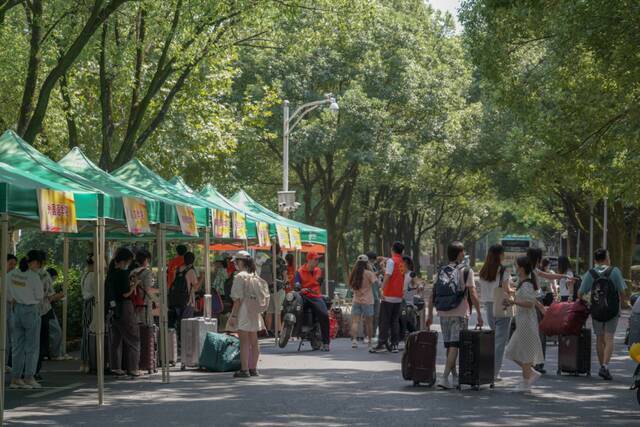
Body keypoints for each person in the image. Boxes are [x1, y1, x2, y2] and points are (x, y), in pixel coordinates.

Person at [426, 241, 483, 389]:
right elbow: (473, 293)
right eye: (463, 252)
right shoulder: (466, 271)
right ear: (458, 254)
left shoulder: (440, 271)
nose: (464, 254)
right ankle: (444, 377)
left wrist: (429, 315)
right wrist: (479, 315)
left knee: (450, 346)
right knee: (455, 345)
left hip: (443, 312)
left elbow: (433, 294)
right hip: (459, 312)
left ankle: (455, 376)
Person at [578, 248, 627, 381]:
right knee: (609, 338)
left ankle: (602, 367)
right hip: (612, 310)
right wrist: (624, 305)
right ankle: (605, 366)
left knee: (600, 339)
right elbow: (622, 293)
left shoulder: (591, 273)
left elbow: (580, 293)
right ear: (606, 258)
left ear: (595, 260)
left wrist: (590, 303)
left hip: (596, 311)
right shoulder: (614, 271)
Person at [504, 255, 546, 392]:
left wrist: (513, 301)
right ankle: (530, 374)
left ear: (521, 269)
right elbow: (532, 301)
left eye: (516, 265)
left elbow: (529, 303)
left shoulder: (527, 284)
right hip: (523, 322)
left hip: (527, 323)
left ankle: (526, 383)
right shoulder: (523, 282)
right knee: (511, 351)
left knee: (525, 354)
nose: (515, 268)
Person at [8, 250, 44, 389]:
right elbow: (40, 295)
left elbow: (5, 288)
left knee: (17, 346)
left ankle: (16, 378)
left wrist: (13, 299)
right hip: (31, 310)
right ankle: (29, 377)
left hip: (16, 309)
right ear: (34, 262)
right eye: (39, 264)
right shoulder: (33, 276)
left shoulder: (13, 273)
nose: (39, 266)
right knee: (32, 347)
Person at [227, 251, 265, 378]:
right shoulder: (254, 274)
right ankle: (253, 368)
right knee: (254, 341)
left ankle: (244, 370)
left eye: (236, 261)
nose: (235, 264)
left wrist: (233, 316)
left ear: (241, 261)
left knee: (244, 341)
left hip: (243, 311)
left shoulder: (239, 276)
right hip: (254, 310)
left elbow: (237, 300)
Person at [477, 244, 512, 380]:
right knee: (500, 342)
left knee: (494, 340)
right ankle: (493, 372)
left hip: (488, 307)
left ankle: (489, 369)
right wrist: (514, 290)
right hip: (501, 306)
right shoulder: (503, 271)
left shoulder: (483, 271)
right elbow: (506, 290)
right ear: (499, 255)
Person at [107, 247, 140, 377]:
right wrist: (135, 285)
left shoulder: (111, 273)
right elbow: (126, 294)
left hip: (113, 309)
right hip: (125, 308)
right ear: (125, 261)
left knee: (116, 339)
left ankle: (115, 367)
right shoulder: (123, 274)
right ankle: (133, 368)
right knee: (133, 338)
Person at [370, 242, 407, 354]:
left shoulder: (391, 261)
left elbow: (388, 275)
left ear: (392, 249)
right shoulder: (402, 262)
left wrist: (381, 288)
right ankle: (395, 344)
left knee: (384, 321)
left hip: (389, 295)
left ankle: (382, 343)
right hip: (398, 296)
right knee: (394, 321)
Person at [294, 253, 330, 351]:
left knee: (324, 315)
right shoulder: (300, 271)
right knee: (294, 307)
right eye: (315, 259)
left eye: (318, 259)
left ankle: (326, 342)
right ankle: (295, 329)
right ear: (309, 260)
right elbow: (297, 282)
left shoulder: (318, 270)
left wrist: (319, 281)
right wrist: (298, 286)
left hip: (315, 296)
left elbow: (318, 280)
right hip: (303, 296)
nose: (317, 261)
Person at [36, 254, 64, 378]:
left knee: (25, 344)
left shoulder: (20, 275)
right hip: (43, 311)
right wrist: (60, 295)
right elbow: (50, 296)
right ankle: (34, 372)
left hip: (27, 311)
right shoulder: (44, 275)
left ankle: (25, 373)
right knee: (40, 342)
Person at [349, 255, 377, 349]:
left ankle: (354, 341)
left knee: (355, 322)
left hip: (356, 300)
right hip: (368, 301)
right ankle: (369, 341)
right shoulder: (369, 273)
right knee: (369, 323)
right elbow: (376, 283)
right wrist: (371, 269)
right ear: (367, 263)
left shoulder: (353, 273)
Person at [45, 267, 71, 362]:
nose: (54, 280)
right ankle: (55, 353)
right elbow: (50, 297)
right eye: (54, 278)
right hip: (46, 310)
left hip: (47, 310)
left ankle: (54, 353)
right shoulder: (45, 280)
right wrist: (59, 296)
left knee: (50, 333)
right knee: (57, 331)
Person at [259, 245, 287, 336]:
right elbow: (285, 276)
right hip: (278, 288)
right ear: (279, 251)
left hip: (268, 288)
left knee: (269, 311)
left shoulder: (267, 261)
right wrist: (285, 283)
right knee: (278, 311)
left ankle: (269, 330)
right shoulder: (281, 261)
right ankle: (278, 331)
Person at [79, 254, 96, 374]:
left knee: (86, 332)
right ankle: (88, 361)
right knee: (90, 333)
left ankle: (83, 362)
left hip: (86, 303)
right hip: (92, 304)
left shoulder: (84, 275)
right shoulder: (94, 276)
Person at [130, 249, 154, 325]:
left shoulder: (132, 272)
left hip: (134, 301)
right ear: (146, 260)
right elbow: (147, 289)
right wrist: (154, 300)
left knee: (136, 324)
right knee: (146, 325)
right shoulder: (146, 273)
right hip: (144, 302)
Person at [5, 254, 17, 371]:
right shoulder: (4, 277)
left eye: (14, 264)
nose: (13, 267)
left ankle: (5, 363)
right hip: (4, 308)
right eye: (10, 264)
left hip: (10, 309)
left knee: (10, 337)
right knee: (5, 337)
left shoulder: (13, 277)